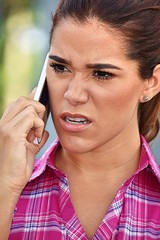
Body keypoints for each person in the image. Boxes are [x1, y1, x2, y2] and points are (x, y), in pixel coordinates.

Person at [1, 0, 160, 239]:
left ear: (152, 82)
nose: (72, 95)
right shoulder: (8, 186)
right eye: (60, 67)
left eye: (102, 74)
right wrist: (5, 187)